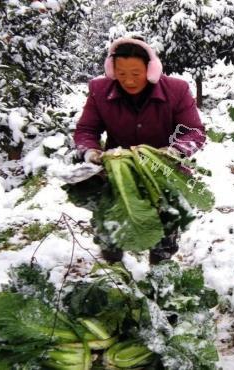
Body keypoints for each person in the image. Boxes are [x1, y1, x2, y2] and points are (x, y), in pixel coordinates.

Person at [73, 36, 206, 264]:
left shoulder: (176, 90)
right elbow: (86, 129)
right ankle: (115, 273)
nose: (129, 81)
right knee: (111, 230)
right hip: (117, 172)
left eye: (136, 73)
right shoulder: (99, 90)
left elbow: (194, 131)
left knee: (165, 231)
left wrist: (173, 152)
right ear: (112, 71)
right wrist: (91, 152)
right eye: (121, 74)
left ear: (151, 69)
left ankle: (159, 274)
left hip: (161, 172)